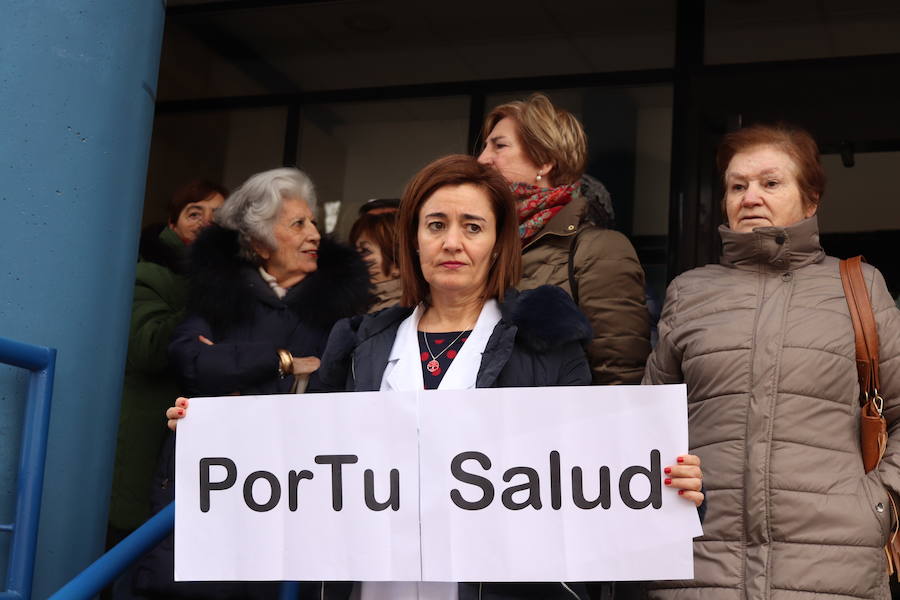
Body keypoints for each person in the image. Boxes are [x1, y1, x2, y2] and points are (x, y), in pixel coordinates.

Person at [171, 155, 705, 600]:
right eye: (436, 225)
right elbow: (307, 457)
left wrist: (664, 482)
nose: (453, 243)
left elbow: (592, 476)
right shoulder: (359, 342)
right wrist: (217, 435)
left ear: (498, 243)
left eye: (472, 227)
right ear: (415, 242)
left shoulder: (548, 344)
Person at [643, 123, 900, 600]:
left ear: (811, 199)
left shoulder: (861, 286)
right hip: (701, 567)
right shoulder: (689, 291)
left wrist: (878, 503)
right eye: (737, 186)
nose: (750, 196)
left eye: (770, 182)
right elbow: (650, 427)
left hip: (832, 568)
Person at [136, 168, 372, 599]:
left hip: (288, 486)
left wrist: (234, 370)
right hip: (213, 480)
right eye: (298, 224)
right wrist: (280, 361)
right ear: (260, 241)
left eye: (314, 222)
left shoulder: (344, 310)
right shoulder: (218, 291)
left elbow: (333, 384)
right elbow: (190, 358)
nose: (314, 234)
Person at [477, 93, 650, 385]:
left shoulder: (599, 249)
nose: (482, 159)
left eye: (499, 146)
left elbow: (619, 377)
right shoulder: (481, 245)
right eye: (484, 146)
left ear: (545, 161)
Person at [108, 179, 226, 542]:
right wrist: (205, 299)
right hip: (147, 441)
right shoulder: (149, 275)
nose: (206, 221)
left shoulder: (230, 281)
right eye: (195, 213)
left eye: (217, 216)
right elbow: (148, 347)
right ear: (173, 224)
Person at [349, 208, 401, 312]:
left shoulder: (399, 315)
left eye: (364, 251)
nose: (353, 259)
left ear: (397, 263)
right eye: (353, 251)